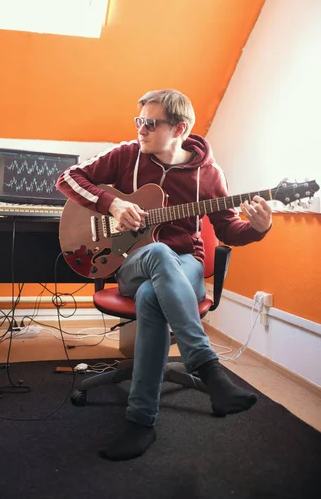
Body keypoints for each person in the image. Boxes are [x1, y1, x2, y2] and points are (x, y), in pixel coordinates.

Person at [57, 89, 272, 461]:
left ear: (179, 128)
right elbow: (68, 179)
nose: (141, 129)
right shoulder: (127, 154)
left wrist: (258, 227)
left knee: (152, 297)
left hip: (185, 263)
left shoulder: (208, 173)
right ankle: (207, 367)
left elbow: (229, 230)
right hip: (132, 263)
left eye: (150, 123)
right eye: (139, 121)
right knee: (156, 252)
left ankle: (141, 422)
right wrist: (115, 202)